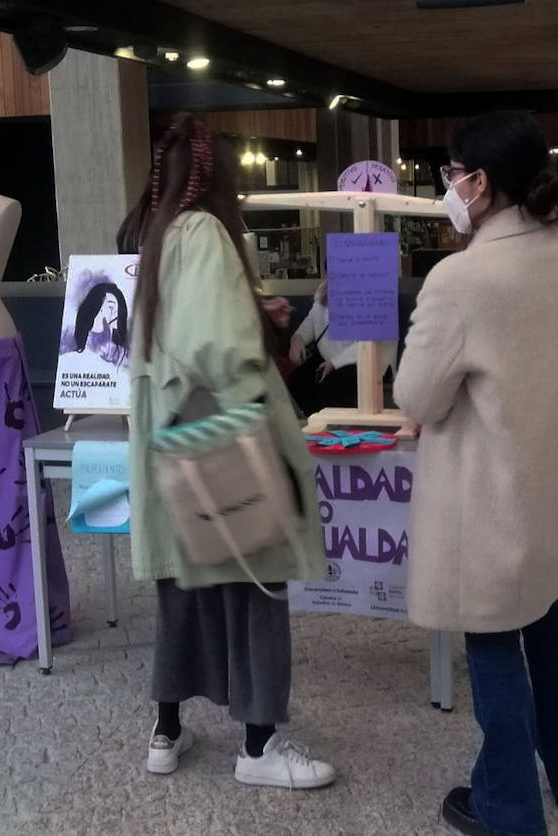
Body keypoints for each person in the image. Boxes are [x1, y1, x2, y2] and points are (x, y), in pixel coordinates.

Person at [394, 111, 558, 836]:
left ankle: (508, 808)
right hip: (554, 482)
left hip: (489, 498)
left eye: (453, 174)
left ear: (480, 183)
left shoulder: (463, 277)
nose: (448, 187)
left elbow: (418, 397)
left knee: (490, 641)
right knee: (544, 610)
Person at [117, 114, 335, 791]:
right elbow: (218, 349)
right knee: (256, 587)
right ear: (217, 177)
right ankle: (260, 745)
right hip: (222, 437)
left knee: (183, 588)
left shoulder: (155, 234)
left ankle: (166, 730)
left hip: (173, 439)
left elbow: (182, 332)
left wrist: (247, 312)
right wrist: (262, 438)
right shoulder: (208, 232)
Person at [286, 280, 394, 417]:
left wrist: (335, 363)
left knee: (333, 385)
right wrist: (297, 339)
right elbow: (311, 321)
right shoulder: (325, 293)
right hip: (327, 357)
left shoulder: (373, 297)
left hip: (359, 361)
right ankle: (313, 422)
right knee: (297, 380)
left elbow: (371, 342)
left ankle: (335, 427)